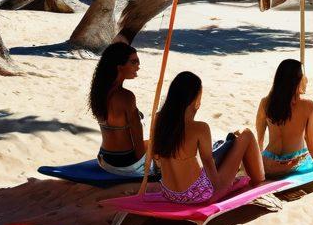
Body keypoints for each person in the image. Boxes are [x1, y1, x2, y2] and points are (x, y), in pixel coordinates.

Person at [153, 72, 265, 205]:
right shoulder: (200, 128)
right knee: (246, 134)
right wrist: (223, 188)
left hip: (170, 194)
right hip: (198, 197)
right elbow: (209, 164)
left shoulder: (159, 119)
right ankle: (261, 178)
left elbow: (157, 157)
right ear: (196, 100)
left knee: (226, 147)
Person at [256, 59, 313, 176]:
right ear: (296, 80)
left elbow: (259, 141)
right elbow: (312, 146)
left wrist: (260, 166)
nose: (306, 79)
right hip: (295, 164)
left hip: (269, 164)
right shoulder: (308, 106)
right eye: (303, 76)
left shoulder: (265, 103)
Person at [89, 41, 148, 176]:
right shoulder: (126, 97)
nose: (138, 67)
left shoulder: (99, 91)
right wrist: (143, 168)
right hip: (124, 163)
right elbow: (137, 140)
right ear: (119, 66)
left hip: (104, 159)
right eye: (134, 62)